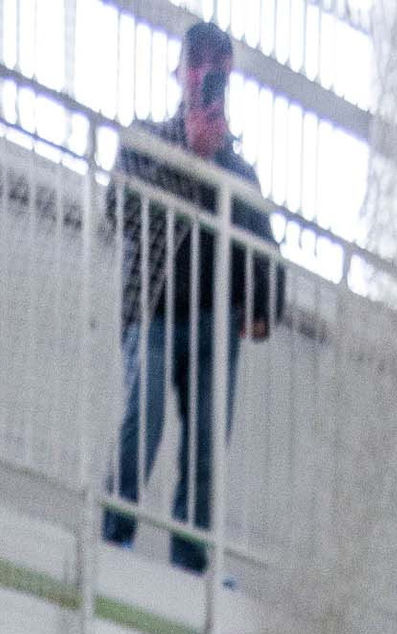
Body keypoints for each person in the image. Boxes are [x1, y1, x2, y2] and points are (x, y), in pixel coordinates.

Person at [101, 23, 279, 581]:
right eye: (198, 64)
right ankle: (114, 535)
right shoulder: (145, 138)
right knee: (143, 419)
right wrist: (188, 154)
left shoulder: (239, 170)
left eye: (218, 69)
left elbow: (264, 248)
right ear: (180, 71)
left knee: (206, 448)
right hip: (150, 311)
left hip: (214, 321)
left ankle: (191, 560)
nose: (207, 77)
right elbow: (120, 210)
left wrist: (262, 309)